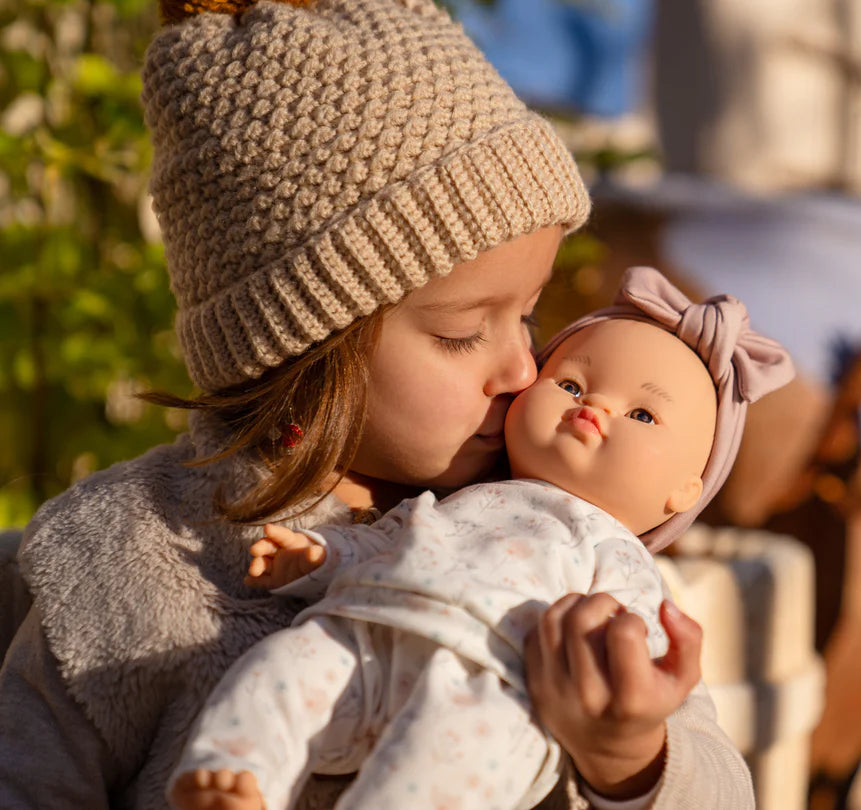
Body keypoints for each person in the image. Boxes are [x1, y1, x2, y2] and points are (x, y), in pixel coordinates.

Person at [0, 1, 754, 808]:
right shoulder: (130, 556)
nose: (521, 366)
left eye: (529, 316)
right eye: (466, 333)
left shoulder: (538, 528)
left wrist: (629, 756)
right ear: (302, 346)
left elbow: (720, 786)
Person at [167, 267, 794, 810]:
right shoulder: (456, 501)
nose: (592, 409)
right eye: (571, 384)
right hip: (369, 634)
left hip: (490, 688)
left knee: (441, 770)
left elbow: (695, 749)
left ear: (685, 490)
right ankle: (233, 771)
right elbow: (398, 542)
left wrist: (628, 742)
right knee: (284, 667)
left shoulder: (620, 562)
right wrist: (323, 557)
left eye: (641, 414)